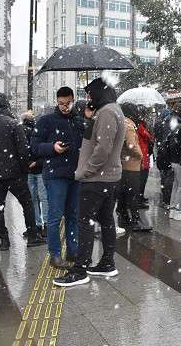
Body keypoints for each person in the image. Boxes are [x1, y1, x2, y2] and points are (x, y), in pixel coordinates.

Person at [53, 78, 126, 287]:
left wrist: (87, 171)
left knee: (84, 222)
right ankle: (106, 263)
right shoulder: (111, 110)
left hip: (97, 179)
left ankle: (80, 269)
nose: (89, 98)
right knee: (106, 220)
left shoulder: (107, 112)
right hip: (108, 177)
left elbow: (102, 148)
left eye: (91, 94)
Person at [0, 93, 46, 250]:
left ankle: (4, 240)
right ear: (7, 106)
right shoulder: (14, 124)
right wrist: (23, 171)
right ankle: (32, 235)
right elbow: (23, 151)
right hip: (14, 173)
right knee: (27, 203)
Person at [32, 87, 85, 268]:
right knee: (55, 216)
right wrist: (52, 148)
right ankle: (55, 254)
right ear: (57, 101)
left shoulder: (78, 121)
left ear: (73, 100)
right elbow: (34, 147)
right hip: (55, 175)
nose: (64, 107)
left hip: (75, 174)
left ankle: (73, 250)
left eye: (68, 103)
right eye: (61, 103)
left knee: (73, 215)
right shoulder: (46, 120)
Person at [117, 103, 151, 231]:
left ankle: (123, 216)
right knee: (133, 193)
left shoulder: (121, 123)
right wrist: (140, 155)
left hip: (123, 163)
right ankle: (135, 220)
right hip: (132, 165)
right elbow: (131, 145)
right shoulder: (129, 125)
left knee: (124, 193)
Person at [21, 110, 48, 236]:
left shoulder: (22, 130)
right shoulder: (39, 131)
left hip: (32, 169)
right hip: (39, 169)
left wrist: (31, 163)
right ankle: (45, 225)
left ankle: (38, 224)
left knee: (34, 199)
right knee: (42, 198)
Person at [167, 104, 181, 221]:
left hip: (173, 160)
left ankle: (172, 209)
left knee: (176, 184)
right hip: (179, 160)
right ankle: (178, 210)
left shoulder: (175, 126)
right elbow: (180, 145)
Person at [136, 117, 153, 208]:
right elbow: (148, 136)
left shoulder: (140, 126)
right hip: (142, 156)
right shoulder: (140, 127)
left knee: (143, 179)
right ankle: (139, 200)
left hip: (144, 155)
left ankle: (140, 197)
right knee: (142, 179)